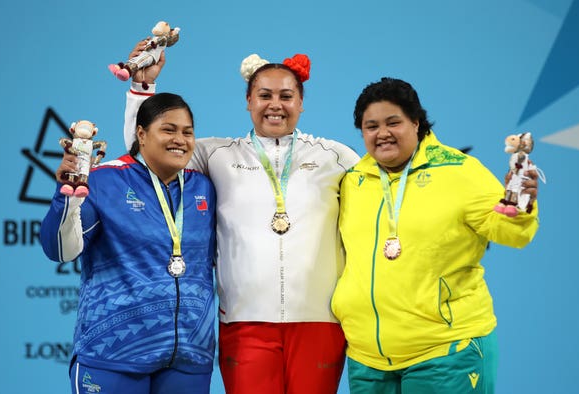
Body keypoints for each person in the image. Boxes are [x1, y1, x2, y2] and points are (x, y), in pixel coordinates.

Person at [122, 42, 360, 393]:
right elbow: (147, 152)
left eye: (286, 96)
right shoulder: (215, 154)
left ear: (301, 103)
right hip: (245, 324)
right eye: (264, 95)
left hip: (320, 323)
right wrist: (141, 90)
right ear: (248, 101)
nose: (275, 105)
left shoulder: (336, 156)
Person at [330, 77, 540, 394]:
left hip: (445, 353)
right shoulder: (354, 180)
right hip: (368, 360)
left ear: (416, 122)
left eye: (393, 122)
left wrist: (521, 201)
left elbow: (511, 232)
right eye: (370, 126)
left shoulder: (459, 171)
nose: (382, 133)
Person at [40, 93, 217, 394]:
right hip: (113, 356)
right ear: (141, 134)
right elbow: (60, 250)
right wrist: (67, 199)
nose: (180, 139)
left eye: (188, 132)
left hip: (189, 358)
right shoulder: (104, 181)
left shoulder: (205, 187)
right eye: (168, 129)